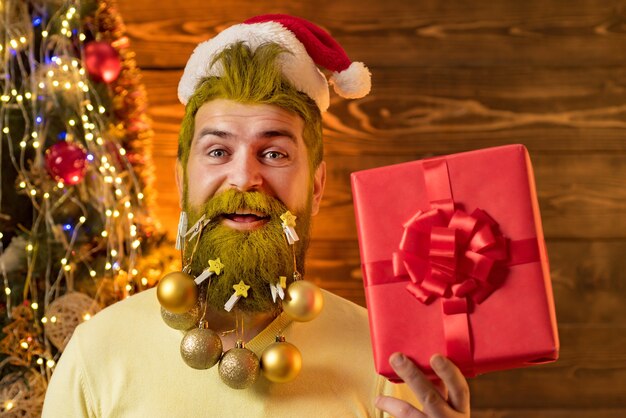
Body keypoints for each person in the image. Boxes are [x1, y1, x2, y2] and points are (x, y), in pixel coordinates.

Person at [42, 14, 470, 418]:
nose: (245, 177)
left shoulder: (387, 363)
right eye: (217, 151)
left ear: (316, 187)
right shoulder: (95, 353)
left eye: (273, 153)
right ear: (182, 180)